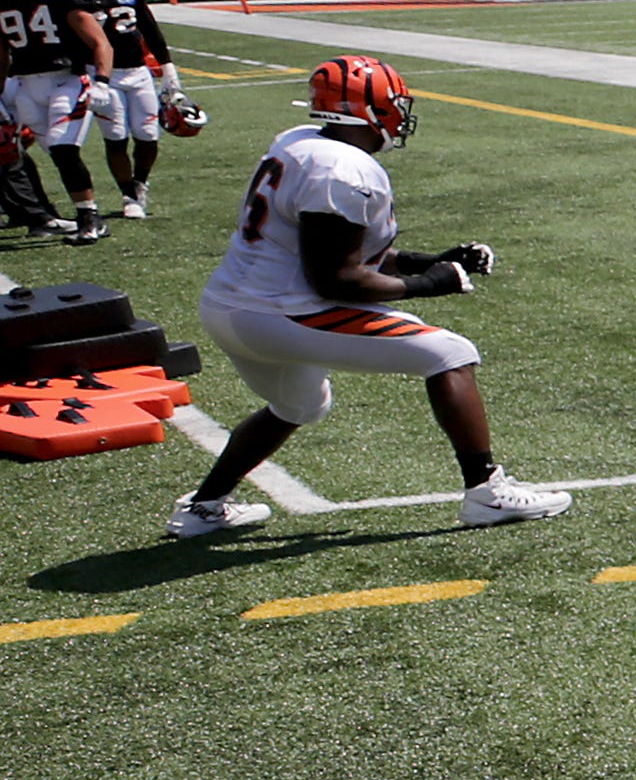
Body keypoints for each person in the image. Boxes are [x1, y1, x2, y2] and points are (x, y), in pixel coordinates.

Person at [171, 55, 569, 539]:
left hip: (230, 307)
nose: (400, 114)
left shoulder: (299, 142)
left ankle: (203, 506)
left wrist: (430, 260)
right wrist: (433, 284)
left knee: (300, 404)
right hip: (282, 313)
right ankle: (487, 492)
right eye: (394, 103)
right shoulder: (343, 170)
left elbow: (343, 252)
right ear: (370, 108)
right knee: (450, 353)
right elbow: (338, 281)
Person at [0, 0, 114, 243]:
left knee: (65, 149)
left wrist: (101, 80)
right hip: (26, 87)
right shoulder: (1, 5)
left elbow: (101, 43)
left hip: (68, 81)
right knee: (55, 153)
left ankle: (89, 216)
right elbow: (1, 56)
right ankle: (78, 215)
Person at [65, 0, 173, 220]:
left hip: (138, 72)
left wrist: (167, 66)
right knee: (116, 137)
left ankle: (140, 183)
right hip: (101, 73)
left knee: (148, 135)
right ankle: (128, 194)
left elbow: (149, 26)